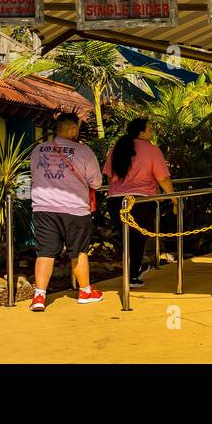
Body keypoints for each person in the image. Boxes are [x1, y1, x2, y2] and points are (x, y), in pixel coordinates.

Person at [28, 112, 104, 311]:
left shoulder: (38, 150)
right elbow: (96, 181)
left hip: (43, 208)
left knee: (45, 251)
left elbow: (33, 174)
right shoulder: (83, 151)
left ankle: (39, 296)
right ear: (73, 129)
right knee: (78, 251)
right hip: (75, 209)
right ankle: (85, 291)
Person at [106, 117, 175, 288]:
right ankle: (132, 275)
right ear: (141, 132)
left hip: (116, 200)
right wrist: (175, 199)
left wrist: (114, 192)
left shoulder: (117, 147)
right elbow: (163, 178)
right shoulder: (152, 150)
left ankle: (130, 272)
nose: (152, 132)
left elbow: (108, 175)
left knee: (126, 237)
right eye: (150, 129)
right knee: (138, 239)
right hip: (142, 200)